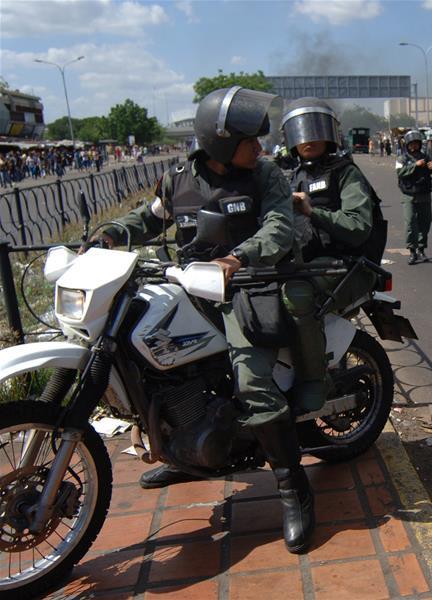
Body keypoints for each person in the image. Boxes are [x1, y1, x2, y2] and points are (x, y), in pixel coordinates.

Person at [92, 86, 315, 554]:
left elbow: (279, 228)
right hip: (191, 284)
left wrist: (237, 258)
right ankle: (185, 452)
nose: (259, 147)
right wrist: (111, 234)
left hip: (249, 286)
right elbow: (150, 218)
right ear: (219, 142)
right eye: (249, 140)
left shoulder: (266, 176)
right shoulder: (178, 179)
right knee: (152, 362)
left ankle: (293, 488)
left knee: (253, 382)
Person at [279, 97, 378, 411]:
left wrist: (313, 212)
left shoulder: (345, 173)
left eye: (315, 130)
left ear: (329, 134)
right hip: (306, 262)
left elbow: (358, 226)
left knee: (297, 297)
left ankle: (314, 381)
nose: (308, 138)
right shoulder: (291, 175)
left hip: (345, 265)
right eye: (301, 131)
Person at [396, 130, 432, 264]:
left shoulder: (426, 157)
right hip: (408, 195)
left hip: (424, 195)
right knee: (410, 222)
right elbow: (400, 172)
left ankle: (421, 250)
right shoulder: (402, 159)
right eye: (411, 144)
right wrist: (414, 166)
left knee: (425, 222)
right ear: (407, 145)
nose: (414, 146)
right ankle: (412, 251)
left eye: (416, 144)